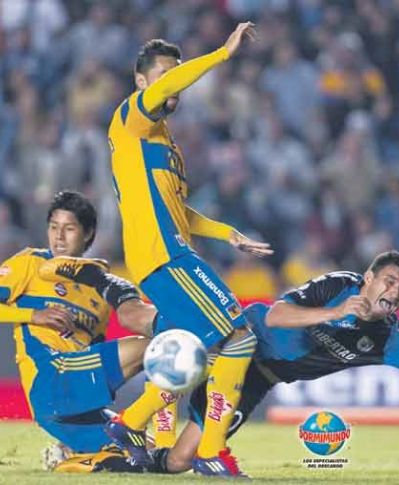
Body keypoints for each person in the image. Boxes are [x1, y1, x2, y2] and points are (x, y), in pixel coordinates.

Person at [147, 250, 399, 474]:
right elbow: (276, 316)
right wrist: (333, 312)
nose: (395, 293)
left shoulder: (391, 338)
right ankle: (119, 424)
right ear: (369, 279)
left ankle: (144, 460)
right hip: (240, 339)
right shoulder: (338, 286)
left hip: (260, 377)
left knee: (180, 461)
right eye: (390, 281)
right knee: (166, 358)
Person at [104, 21, 273, 477]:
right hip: (166, 257)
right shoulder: (131, 118)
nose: (172, 84)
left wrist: (227, 233)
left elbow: (180, 211)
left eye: (174, 75)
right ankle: (210, 451)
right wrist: (221, 53)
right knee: (239, 337)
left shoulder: (165, 146)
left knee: (199, 352)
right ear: (142, 82)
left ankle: (129, 425)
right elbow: (173, 83)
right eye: (163, 76)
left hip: (169, 251)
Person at [0, 191, 159, 472]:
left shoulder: (98, 288)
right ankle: (125, 426)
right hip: (50, 379)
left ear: (88, 233)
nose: (59, 237)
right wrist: (33, 315)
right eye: (54, 227)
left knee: (149, 456)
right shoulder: (30, 263)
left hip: (78, 395)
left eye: (69, 229)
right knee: (152, 347)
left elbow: (98, 358)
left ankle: (67, 458)